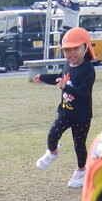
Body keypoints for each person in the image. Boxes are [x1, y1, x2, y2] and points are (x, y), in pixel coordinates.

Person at [33, 27, 96, 189]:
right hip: (66, 112)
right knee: (52, 133)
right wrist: (43, 77)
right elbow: (59, 78)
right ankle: (52, 152)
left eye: (76, 48)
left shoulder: (88, 68)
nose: (71, 53)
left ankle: (82, 171)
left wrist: (65, 87)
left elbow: (83, 92)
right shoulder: (68, 65)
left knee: (79, 144)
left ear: (86, 48)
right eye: (67, 49)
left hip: (81, 115)